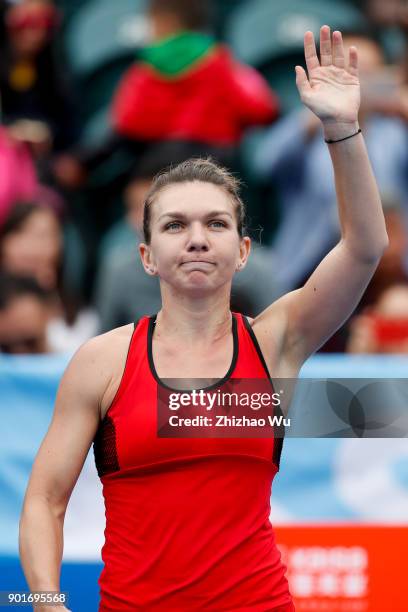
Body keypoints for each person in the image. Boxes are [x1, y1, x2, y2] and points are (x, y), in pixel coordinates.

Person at [19, 26, 388, 611]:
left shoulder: (276, 342)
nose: (196, 239)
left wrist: (342, 130)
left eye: (216, 224)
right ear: (146, 257)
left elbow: (366, 247)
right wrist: (41, 601)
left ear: (243, 251)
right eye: (175, 225)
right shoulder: (103, 362)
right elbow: (44, 499)